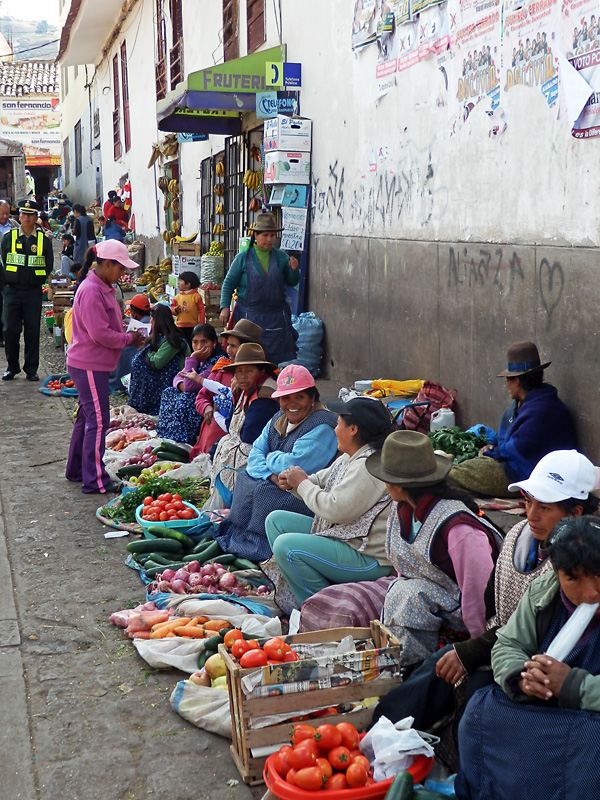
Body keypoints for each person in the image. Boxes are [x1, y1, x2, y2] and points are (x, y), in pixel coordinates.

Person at [372, 449, 599, 730]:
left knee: (477, 695)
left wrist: (474, 652)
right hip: (512, 656)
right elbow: (503, 623)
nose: (531, 516)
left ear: (575, 513)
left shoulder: (576, 565)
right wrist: (514, 672)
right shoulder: (519, 538)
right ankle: (382, 727)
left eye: (545, 508)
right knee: (442, 670)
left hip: (549, 671)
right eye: (529, 503)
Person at [456, 514, 600, 800]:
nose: (591, 592)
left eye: (598, 575)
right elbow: (508, 643)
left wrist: (571, 685)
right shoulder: (544, 593)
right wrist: (523, 678)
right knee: (481, 711)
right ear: (557, 573)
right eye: (573, 578)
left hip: (592, 714)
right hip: (548, 706)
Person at [365, 430, 503, 666]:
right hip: (429, 606)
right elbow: (404, 567)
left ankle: (415, 667)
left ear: (399, 484)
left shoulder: (459, 529)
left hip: (463, 619)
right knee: (401, 592)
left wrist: (475, 652)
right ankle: (402, 664)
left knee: (408, 596)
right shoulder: (401, 509)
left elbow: (478, 596)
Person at [265, 397, 396, 605]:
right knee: (275, 521)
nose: (335, 429)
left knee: (285, 546)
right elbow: (319, 480)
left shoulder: (367, 465)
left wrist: (301, 484)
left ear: (353, 429)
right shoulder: (350, 456)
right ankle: (303, 589)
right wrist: (293, 482)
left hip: (366, 555)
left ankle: (322, 606)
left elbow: (334, 509)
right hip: (344, 536)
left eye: (339, 423)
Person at [212, 365, 338, 562]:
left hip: (304, 494)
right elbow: (255, 453)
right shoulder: (279, 417)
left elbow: (293, 465)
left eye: (300, 397)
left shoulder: (322, 425)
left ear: (312, 398)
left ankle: (262, 548)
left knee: (264, 492)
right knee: (245, 477)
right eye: (286, 398)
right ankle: (241, 538)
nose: (292, 404)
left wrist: (269, 456)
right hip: (278, 480)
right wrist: (270, 475)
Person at [65, 241, 145, 494]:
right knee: (99, 421)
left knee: (86, 418)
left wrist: (126, 330)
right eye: (121, 269)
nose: (123, 274)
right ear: (107, 264)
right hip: (89, 363)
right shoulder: (91, 290)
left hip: (91, 363)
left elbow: (107, 325)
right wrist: (128, 338)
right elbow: (100, 334)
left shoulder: (102, 287)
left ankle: (76, 470)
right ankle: (95, 480)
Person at [450, 341, 577, 497]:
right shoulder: (523, 404)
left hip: (526, 474)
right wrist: (492, 445)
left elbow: (518, 447)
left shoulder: (544, 409)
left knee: (452, 476)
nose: (506, 385)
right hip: (511, 463)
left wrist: (493, 453)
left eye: (508, 380)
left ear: (517, 381)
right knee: (463, 471)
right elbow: (506, 438)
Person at [204, 342, 280, 507]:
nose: (243, 376)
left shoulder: (265, 396)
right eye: (239, 371)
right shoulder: (242, 389)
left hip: (258, 452)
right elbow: (230, 422)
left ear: (261, 371)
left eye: (249, 371)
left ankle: (235, 504)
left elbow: (249, 436)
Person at [219, 212, 300, 366]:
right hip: (249, 317)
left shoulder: (282, 258)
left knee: (274, 361)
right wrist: (224, 307)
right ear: (256, 235)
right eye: (265, 235)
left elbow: (292, 281)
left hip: (276, 319)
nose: (269, 239)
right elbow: (229, 283)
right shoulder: (242, 258)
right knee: (249, 359)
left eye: (272, 235)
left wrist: (294, 271)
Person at [190, 319, 264, 459]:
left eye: (233, 346)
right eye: (228, 344)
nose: (228, 350)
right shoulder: (221, 369)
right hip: (211, 437)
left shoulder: (262, 380)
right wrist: (206, 407)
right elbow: (201, 397)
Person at [1, 199, 54, 381]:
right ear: (19, 216)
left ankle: (31, 369)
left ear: (35, 217)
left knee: (32, 330)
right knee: (10, 330)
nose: (27, 218)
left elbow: (48, 264)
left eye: (30, 215)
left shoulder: (43, 240)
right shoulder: (9, 237)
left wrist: (35, 279)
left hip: (32, 291)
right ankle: (12, 366)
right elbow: (2, 261)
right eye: (24, 214)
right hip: (12, 291)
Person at [156, 323, 226, 444]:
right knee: (168, 392)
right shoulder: (199, 360)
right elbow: (178, 377)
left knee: (187, 397)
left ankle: (183, 436)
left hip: (206, 399)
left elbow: (190, 386)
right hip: (192, 392)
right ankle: (167, 432)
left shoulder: (216, 362)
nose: (199, 347)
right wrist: (182, 385)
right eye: (195, 342)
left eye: (204, 342)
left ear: (214, 343)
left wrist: (193, 358)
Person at [128, 303, 190, 416]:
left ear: (157, 321)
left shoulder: (172, 341)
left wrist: (148, 353)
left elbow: (156, 363)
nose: (150, 322)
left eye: (152, 319)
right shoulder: (162, 338)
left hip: (177, 380)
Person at [108, 293, 151, 393]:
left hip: (123, 378)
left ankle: (117, 382)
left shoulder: (132, 334)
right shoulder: (153, 322)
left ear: (134, 313)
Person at [171, 271, 205, 345]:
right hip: (180, 326)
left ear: (188, 285)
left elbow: (201, 311)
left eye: (180, 281)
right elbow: (172, 310)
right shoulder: (177, 297)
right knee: (182, 344)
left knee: (191, 343)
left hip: (193, 326)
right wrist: (175, 310)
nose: (178, 283)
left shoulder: (196, 296)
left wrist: (201, 324)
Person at [0, 199, 17, 347]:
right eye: (2, 214)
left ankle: (9, 334)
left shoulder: (15, 226)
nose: (5, 216)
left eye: (7, 213)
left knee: (10, 306)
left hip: (12, 272)